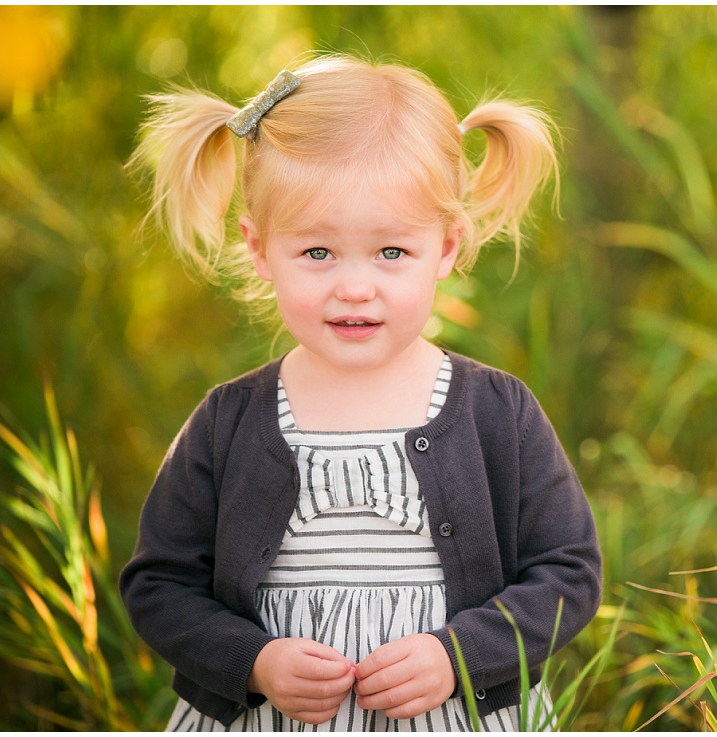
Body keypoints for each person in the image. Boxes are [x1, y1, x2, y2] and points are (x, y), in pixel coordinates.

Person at [119, 52, 602, 732]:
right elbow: (159, 583)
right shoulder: (229, 420)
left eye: (391, 252)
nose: (354, 286)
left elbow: (568, 569)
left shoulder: (497, 411)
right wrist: (254, 661)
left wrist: (457, 653)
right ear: (260, 249)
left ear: (445, 246)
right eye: (317, 252)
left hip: (451, 715)